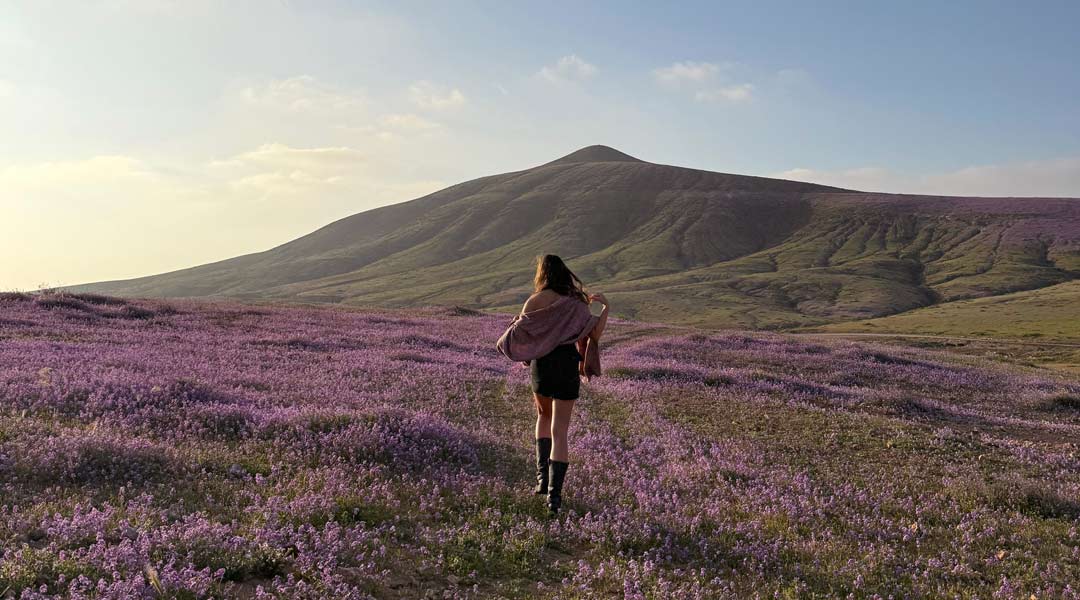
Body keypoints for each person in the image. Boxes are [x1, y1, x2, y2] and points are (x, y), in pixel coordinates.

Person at [494, 254, 609, 515]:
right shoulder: (577, 303)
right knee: (561, 431)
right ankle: (554, 499)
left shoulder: (534, 301)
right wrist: (606, 309)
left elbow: (520, 334)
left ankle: (541, 480)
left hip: (542, 365)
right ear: (565, 273)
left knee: (543, 415)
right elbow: (593, 333)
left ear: (542, 274)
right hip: (567, 364)